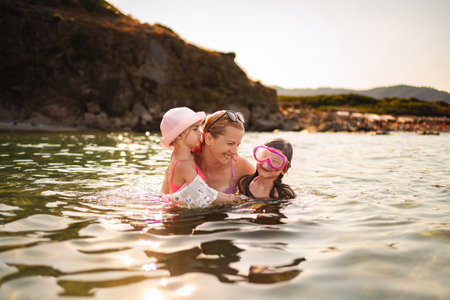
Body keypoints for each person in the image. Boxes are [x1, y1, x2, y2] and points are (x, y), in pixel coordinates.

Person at [159, 107, 243, 207]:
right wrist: (234, 199)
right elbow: (206, 194)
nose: (200, 132)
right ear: (178, 136)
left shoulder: (186, 156)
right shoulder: (183, 165)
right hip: (183, 219)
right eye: (195, 129)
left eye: (199, 127)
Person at [194, 110, 255, 194]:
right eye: (230, 144)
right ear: (208, 138)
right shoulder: (185, 164)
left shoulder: (242, 167)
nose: (235, 152)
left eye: (237, 145)